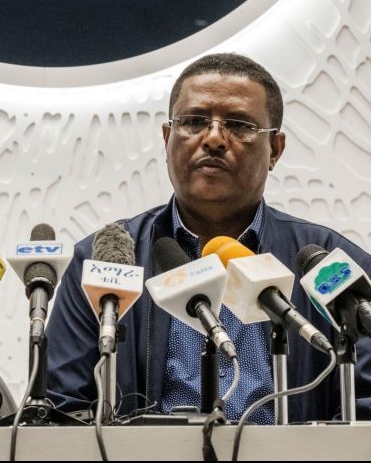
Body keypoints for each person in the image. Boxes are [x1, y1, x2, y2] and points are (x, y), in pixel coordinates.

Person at [46, 53, 371, 424]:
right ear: (168, 139)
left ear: (275, 151)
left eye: (238, 124)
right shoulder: (104, 262)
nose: (214, 138)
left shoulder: (330, 263)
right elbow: (63, 410)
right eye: (195, 121)